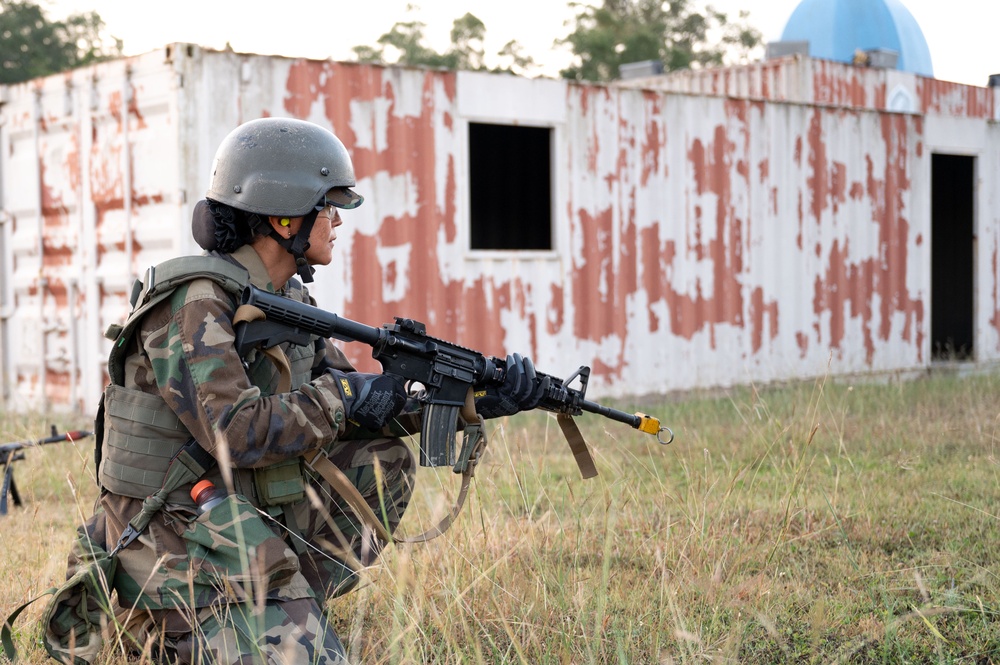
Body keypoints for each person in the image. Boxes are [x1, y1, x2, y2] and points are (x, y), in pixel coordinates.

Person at [64, 117, 546, 664]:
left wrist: (472, 403)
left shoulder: (281, 299)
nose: (338, 221)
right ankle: (165, 627)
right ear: (283, 216)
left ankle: (281, 601)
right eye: (329, 206)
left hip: (224, 511)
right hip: (165, 525)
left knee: (381, 461)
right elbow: (235, 434)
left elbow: (357, 408)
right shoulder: (195, 305)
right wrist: (345, 396)